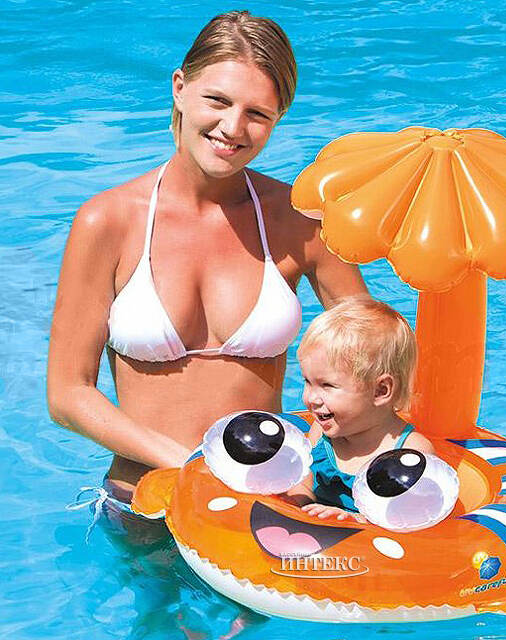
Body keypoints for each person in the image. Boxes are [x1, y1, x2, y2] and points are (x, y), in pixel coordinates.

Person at [47, 10, 367, 525]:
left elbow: (376, 366)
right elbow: (67, 395)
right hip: (144, 504)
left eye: (257, 113)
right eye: (217, 100)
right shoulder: (107, 222)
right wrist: (195, 466)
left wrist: (313, 461)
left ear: (279, 117)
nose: (232, 128)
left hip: (270, 502)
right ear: (180, 88)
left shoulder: (301, 221)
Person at [286, 296, 434, 521]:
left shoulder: (411, 453)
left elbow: (413, 521)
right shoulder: (321, 432)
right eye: (307, 381)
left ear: (380, 391)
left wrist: (354, 520)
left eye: (327, 385)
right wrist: (294, 503)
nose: (310, 398)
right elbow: (302, 485)